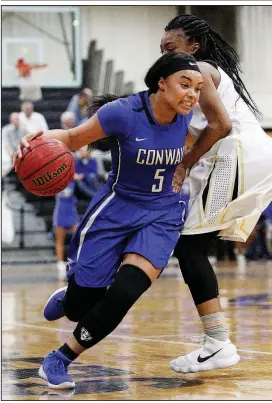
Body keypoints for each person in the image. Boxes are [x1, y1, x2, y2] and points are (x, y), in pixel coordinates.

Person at [13, 52, 203, 389]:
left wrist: (189, 164)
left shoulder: (191, 117)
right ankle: (71, 298)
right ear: (161, 82)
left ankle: (59, 359)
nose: (192, 94)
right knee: (80, 307)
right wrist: (33, 141)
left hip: (162, 215)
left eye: (198, 89)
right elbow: (73, 139)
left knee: (124, 294)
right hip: (117, 209)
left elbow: (215, 133)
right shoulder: (123, 113)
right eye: (184, 84)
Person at [159, 14, 272, 373]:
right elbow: (198, 133)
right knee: (193, 246)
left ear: (192, 47)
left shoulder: (198, 67)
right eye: (161, 49)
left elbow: (221, 126)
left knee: (189, 248)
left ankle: (217, 343)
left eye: (171, 47)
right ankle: (216, 342)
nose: (166, 53)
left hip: (240, 156)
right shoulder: (195, 83)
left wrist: (184, 165)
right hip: (259, 157)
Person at [53, 180, 79, 280]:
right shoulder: (56, 179)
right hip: (60, 210)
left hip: (71, 210)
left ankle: (77, 262)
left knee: (78, 237)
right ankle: (60, 266)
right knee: (60, 239)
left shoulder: (73, 178)